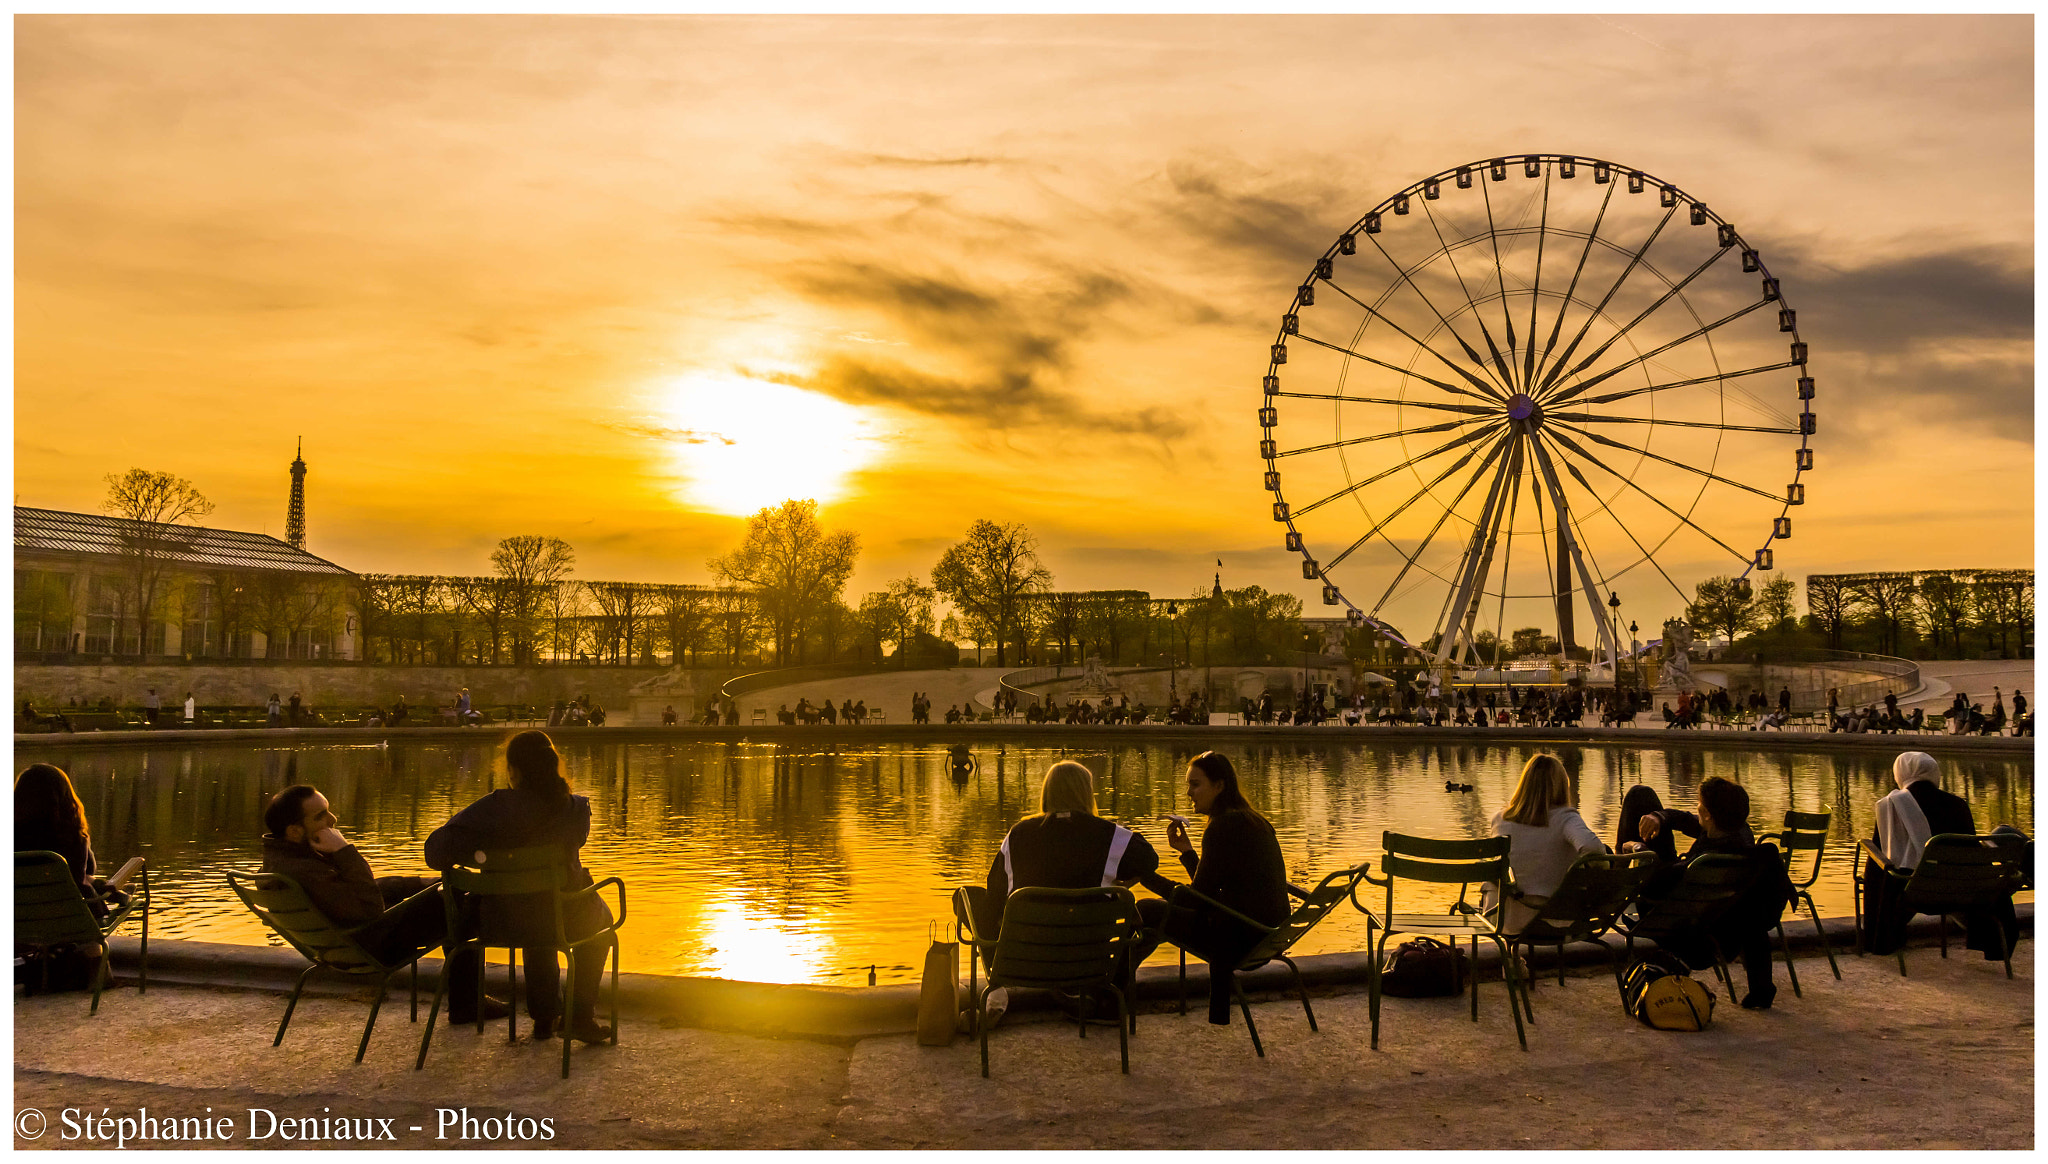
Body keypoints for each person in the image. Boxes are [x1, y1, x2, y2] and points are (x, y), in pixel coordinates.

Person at [425, 731, 618, 1043]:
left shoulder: (492, 808)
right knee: (598, 925)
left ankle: (534, 1014)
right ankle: (577, 1016)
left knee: (510, 905)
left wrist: (482, 854)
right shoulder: (576, 810)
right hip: (562, 919)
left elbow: (435, 851)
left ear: (513, 770)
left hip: (495, 920)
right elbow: (574, 844)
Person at [261, 783, 503, 1025]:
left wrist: (420, 883)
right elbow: (370, 908)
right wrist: (345, 851)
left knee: (434, 889)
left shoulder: (281, 862)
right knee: (457, 902)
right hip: (372, 947)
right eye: (320, 816)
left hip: (346, 942)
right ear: (294, 831)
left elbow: (356, 896)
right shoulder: (305, 871)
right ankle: (468, 1003)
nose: (333, 819)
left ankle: (467, 1000)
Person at [977, 761, 1171, 962]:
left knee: (970, 898)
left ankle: (996, 974)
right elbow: (1150, 861)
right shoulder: (1109, 836)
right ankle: (1113, 983)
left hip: (1027, 958)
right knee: (1149, 910)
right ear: (1087, 793)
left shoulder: (1018, 835)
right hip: (1089, 958)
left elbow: (994, 895)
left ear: (1047, 792)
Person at [1151, 752, 1290, 1026]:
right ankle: (1112, 992)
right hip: (1266, 933)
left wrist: (1144, 876)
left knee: (1146, 911)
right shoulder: (1252, 820)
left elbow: (1196, 901)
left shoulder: (1222, 827)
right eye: (1188, 785)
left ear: (1219, 786)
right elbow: (1210, 890)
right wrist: (1188, 853)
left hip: (1240, 938)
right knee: (1153, 916)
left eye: (1195, 784)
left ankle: (1107, 997)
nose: (1189, 792)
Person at [1635, 776, 1794, 1009]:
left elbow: (1653, 885)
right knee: (1645, 802)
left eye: (1699, 807)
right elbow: (1688, 820)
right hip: (1727, 925)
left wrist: (1637, 850)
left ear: (1708, 815)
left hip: (1683, 929)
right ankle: (1761, 989)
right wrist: (1660, 816)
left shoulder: (1700, 864)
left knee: (1638, 799)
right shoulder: (1742, 841)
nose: (1696, 810)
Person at [1861, 751, 2018, 960]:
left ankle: (1879, 937)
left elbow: (1882, 855)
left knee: (1878, 865)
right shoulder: (1958, 804)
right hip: (1960, 892)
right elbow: (1969, 854)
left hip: (1916, 892)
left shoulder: (1891, 805)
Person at [1487, 754, 1604, 932]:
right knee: (1599, 854)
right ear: (1562, 785)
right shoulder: (1565, 819)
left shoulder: (1499, 819)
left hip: (1501, 918)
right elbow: (1592, 847)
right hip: (1548, 918)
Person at [1615, 785, 1680, 864]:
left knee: (1639, 795)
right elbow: (1688, 819)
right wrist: (1659, 816)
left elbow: (1688, 820)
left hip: (1666, 870)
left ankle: (1619, 861)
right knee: (1641, 794)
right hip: (1670, 862)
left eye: (1699, 801)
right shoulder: (1696, 861)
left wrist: (1636, 847)